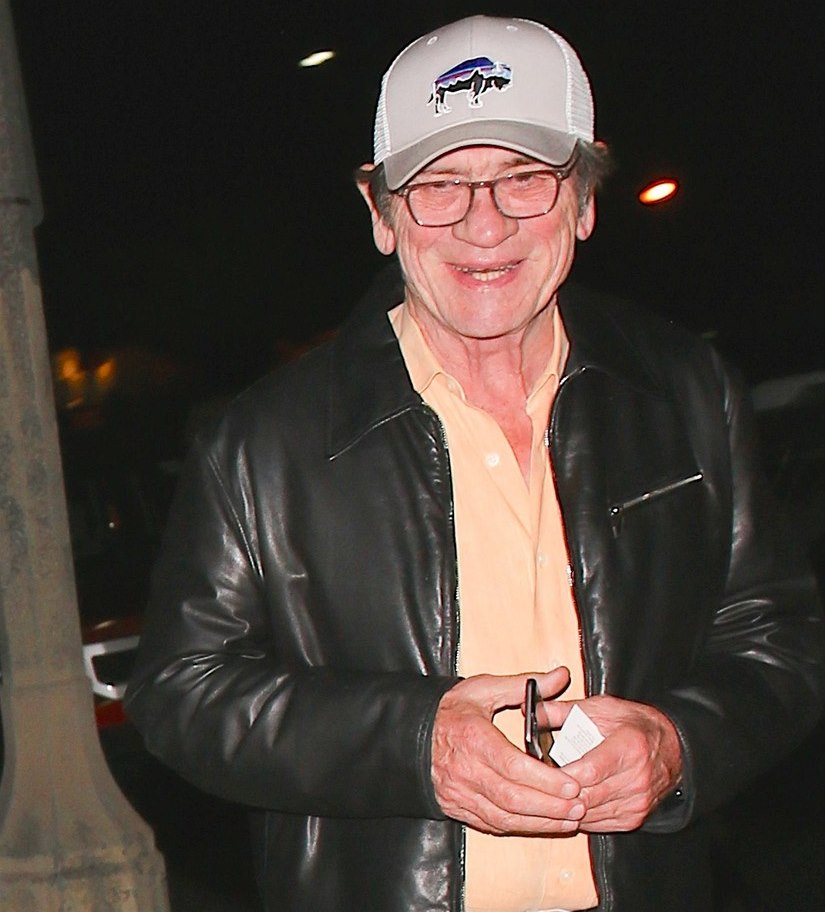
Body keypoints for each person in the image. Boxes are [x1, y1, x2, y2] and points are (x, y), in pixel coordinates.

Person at [125, 15, 824, 912]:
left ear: (583, 201)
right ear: (381, 214)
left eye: (523, 179)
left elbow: (780, 641)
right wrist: (415, 746)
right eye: (439, 186)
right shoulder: (261, 442)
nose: (483, 225)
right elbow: (180, 693)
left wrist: (678, 742)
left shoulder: (686, 391)